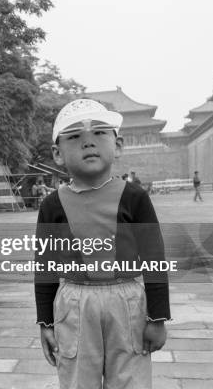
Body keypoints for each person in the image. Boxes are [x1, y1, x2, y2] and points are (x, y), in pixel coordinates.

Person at [34, 99, 170, 389]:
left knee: (130, 379)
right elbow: (44, 267)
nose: (88, 143)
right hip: (74, 303)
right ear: (57, 153)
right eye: (74, 137)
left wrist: (157, 317)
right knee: (77, 380)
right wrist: (45, 321)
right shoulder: (51, 205)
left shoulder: (135, 197)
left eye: (99, 133)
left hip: (128, 303)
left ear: (118, 145)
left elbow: (155, 258)